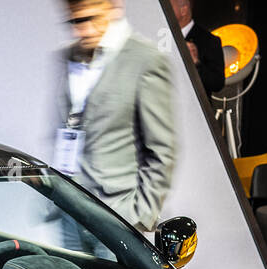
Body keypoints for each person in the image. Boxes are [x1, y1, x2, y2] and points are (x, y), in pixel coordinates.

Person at [55, 0, 177, 234]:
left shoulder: (146, 60)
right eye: (75, 21)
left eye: (91, 18)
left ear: (113, 9)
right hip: (70, 214)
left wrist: (140, 216)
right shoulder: (67, 56)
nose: (83, 30)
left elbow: (162, 150)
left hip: (117, 216)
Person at [169, 0, 224, 97]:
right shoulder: (161, 35)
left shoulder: (209, 40)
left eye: (169, 6)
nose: (164, 10)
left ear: (184, 10)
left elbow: (217, 84)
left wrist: (196, 63)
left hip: (190, 109)